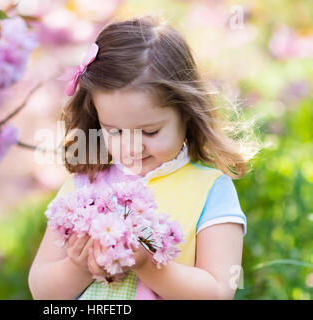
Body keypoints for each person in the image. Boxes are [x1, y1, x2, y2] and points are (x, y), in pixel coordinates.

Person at [28, 15, 260, 300]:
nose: (132, 147)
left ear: (186, 114)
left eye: (149, 131)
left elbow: (218, 292)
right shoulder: (83, 186)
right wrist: (79, 267)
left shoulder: (211, 191)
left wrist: (148, 265)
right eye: (114, 131)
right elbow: (41, 291)